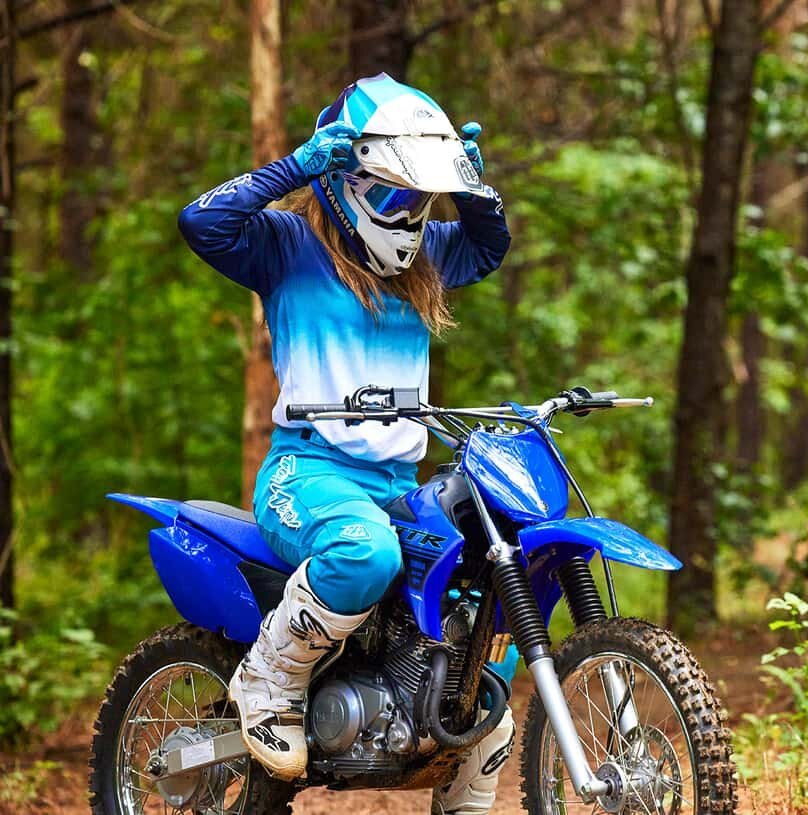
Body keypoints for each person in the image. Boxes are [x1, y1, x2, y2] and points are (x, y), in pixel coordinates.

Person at [178, 74, 513, 815]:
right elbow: (201, 221)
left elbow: (490, 246)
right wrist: (295, 167)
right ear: (343, 183)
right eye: (392, 195)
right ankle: (269, 678)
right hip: (308, 472)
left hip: (398, 484)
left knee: (479, 605)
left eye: (419, 199)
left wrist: (470, 187)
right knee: (366, 553)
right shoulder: (286, 245)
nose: (408, 215)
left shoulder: (427, 258)